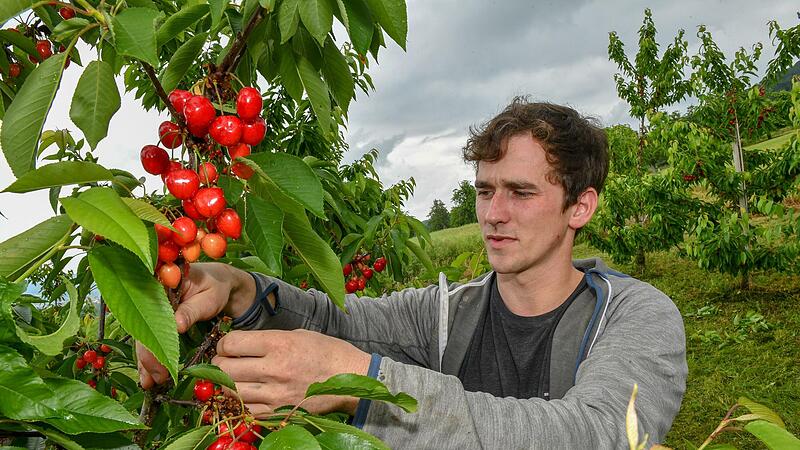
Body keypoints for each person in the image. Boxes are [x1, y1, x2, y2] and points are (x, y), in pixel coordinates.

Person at [138, 98, 687, 449]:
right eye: (484, 191)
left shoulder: (636, 316)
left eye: (521, 193)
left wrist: (371, 385)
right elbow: (341, 324)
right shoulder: (450, 312)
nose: (493, 214)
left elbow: (596, 435)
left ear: (580, 207)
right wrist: (242, 288)